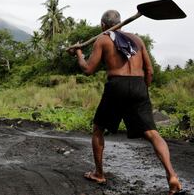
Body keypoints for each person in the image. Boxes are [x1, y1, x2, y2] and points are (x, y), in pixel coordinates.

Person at [68, 10, 183, 195]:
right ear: (120, 24)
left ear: (103, 25)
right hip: (139, 85)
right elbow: (150, 70)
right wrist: (144, 90)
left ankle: (99, 173)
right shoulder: (137, 40)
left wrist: (79, 53)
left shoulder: (103, 39)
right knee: (153, 133)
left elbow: (88, 69)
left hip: (117, 85)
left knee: (98, 129)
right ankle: (172, 176)